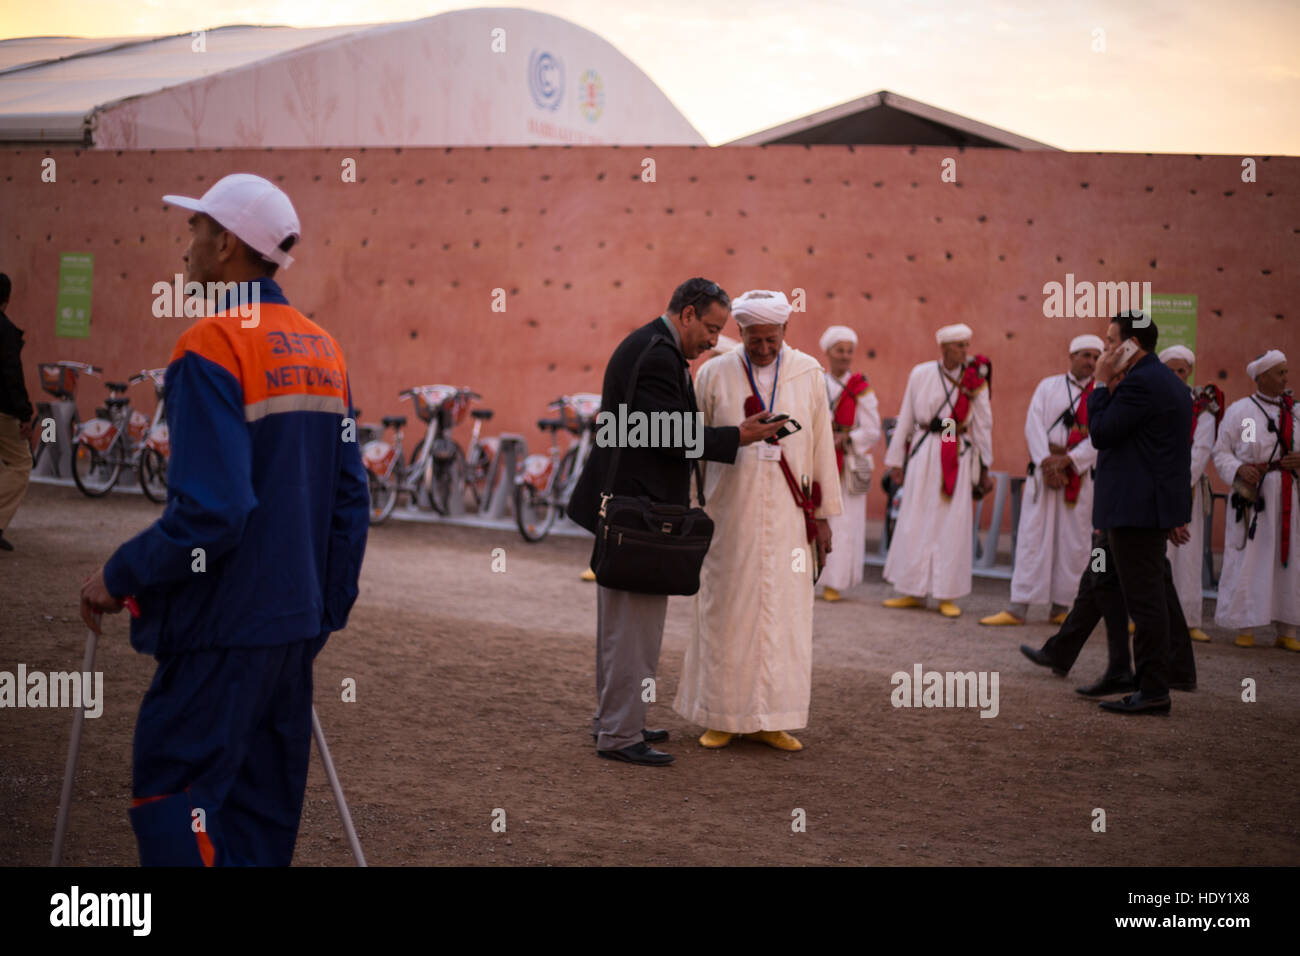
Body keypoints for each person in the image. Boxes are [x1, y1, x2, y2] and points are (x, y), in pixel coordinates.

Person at [77, 173, 370, 864]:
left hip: (220, 630)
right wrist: (321, 614)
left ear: (227, 246)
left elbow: (213, 511)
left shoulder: (210, 345)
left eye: (197, 229)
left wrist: (119, 575)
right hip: (290, 631)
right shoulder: (324, 350)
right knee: (257, 823)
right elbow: (351, 504)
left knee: (176, 805)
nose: (187, 243)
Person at [567, 278, 782, 766]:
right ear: (686, 314)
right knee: (633, 633)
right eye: (710, 328)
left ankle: (616, 720)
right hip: (637, 513)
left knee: (622, 630)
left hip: (627, 508)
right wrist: (738, 437)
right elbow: (663, 433)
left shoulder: (652, 345)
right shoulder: (659, 355)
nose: (713, 340)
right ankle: (621, 735)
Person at [673, 291, 841, 752]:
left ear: (786, 332)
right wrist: (691, 506)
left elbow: (822, 447)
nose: (764, 348)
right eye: (754, 340)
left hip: (791, 518)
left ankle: (773, 718)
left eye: (772, 339)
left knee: (784, 618)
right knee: (726, 611)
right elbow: (694, 445)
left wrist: (823, 519)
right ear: (739, 333)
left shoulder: (808, 373)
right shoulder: (714, 373)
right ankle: (721, 715)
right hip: (729, 515)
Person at [1087, 312, 1196, 715]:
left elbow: (1100, 432)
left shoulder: (1141, 384)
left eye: (1112, 341)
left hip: (1134, 512)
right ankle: (1122, 670)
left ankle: (1153, 690)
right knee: (1106, 583)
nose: (1107, 349)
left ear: (1133, 345)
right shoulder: (1161, 382)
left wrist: (1100, 383)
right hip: (1140, 509)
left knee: (1146, 601)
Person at [981, 335, 1101, 626]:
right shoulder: (1048, 387)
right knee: (1033, 539)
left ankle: (1062, 607)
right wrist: (1048, 463)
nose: (1091, 362)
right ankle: (1017, 607)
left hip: (1079, 476)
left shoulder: (1103, 394)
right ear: (1071, 355)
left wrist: (1070, 462)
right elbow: (1033, 425)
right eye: (1086, 355)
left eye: (1096, 357)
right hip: (1046, 473)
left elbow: (1101, 436)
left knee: (1074, 543)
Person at [881, 324, 993, 618]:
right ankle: (912, 591)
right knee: (914, 519)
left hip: (957, 449)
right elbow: (906, 415)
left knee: (951, 523)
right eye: (959, 346)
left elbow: (983, 423)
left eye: (967, 345)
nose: (965, 351)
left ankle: (947, 593)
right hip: (924, 449)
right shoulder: (921, 373)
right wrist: (895, 461)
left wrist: (985, 465)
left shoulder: (974, 380)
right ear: (944, 348)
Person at [1212, 350, 1299, 651]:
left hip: (1289, 494)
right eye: (1279, 373)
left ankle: (1287, 630)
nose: (1286, 378)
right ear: (1261, 377)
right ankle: (1244, 625)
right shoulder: (1239, 411)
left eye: (1286, 372)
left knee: (1288, 560)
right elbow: (1221, 452)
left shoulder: (1296, 412)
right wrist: (1239, 468)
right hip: (1253, 496)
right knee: (1248, 559)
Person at [1160, 346, 1222, 642]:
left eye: (1180, 371)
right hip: (1153, 488)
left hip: (1187, 489)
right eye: (1169, 370)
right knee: (1154, 555)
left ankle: (1189, 619)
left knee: (1188, 554)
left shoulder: (1203, 407)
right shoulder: (1149, 400)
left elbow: (1201, 450)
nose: (1174, 376)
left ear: (1189, 373)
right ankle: (1146, 617)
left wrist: (1177, 485)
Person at [817, 324, 880, 601]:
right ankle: (816, 576)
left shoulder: (861, 387)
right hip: (821, 457)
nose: (844, 356)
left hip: (847, 463)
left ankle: (837, 581)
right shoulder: (817, 381)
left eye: (849, 351)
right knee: (819, 516)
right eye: (839, 350)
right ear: (828, 352)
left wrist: (847, 438)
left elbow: (872, 429)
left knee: (843, 522)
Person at [0, 272, 34, 552]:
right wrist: (25, 414)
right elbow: (12, 375)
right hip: (3, 412)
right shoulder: (5, 331)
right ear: (7, 300)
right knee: (21, 464)